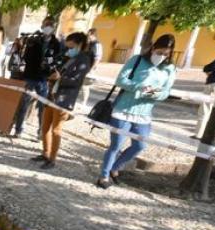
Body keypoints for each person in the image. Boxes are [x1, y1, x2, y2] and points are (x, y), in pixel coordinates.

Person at [97, 34, 177, 189]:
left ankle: (115, 168)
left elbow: (165, 92)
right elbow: (121, 80)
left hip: (144, 114)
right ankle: (104, 176)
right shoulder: (137, 60)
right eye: (159, 52)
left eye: (166, 54)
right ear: (153, 48)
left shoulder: (170, 68)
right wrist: (139, 87)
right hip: (123, 110)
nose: (161, 56)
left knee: (140, 146)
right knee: (116, 146)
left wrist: (150, 92)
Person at [32, 32, 93, 169]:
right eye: (67, 47)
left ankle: (52, 159)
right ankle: (45, 153)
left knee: (56, 130)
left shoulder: (84, 59)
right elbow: (58, 71)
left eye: (70, 47)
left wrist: (60, 78)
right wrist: (51, 76)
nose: (68, 50)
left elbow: (76, 81)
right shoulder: (68, 57)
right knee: (45, 127)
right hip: (52, 95)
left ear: (79, 44)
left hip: (64, 99)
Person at [11, 16, 61, 138]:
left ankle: (41, 132)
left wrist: (50, 67)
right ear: (42, 25)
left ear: (54, 27)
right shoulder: (34, 40)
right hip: (30, 75)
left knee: (42, 106)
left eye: (51, 25)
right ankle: (18, 129)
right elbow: (26, 57)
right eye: (46, 24)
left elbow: (58, 59)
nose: (48, 27)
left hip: (44, 79)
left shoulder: (56, 43)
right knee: (24, 104)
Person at [195, 43, 215, 139]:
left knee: (205, 108)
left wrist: (207, 69)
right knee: (211, 108)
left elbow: (209, 67)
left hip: (214, 82)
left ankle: (199, 134)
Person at [78, 28, 103, 107]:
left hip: (89, 68)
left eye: (89, 35)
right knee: (79, 84)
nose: (88, 36)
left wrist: (91, 69)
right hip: (82, 66)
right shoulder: (88, 44)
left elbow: (97, 58)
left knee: (85, 86)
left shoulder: (97, 45)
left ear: (93, 35)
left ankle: (83, 102)